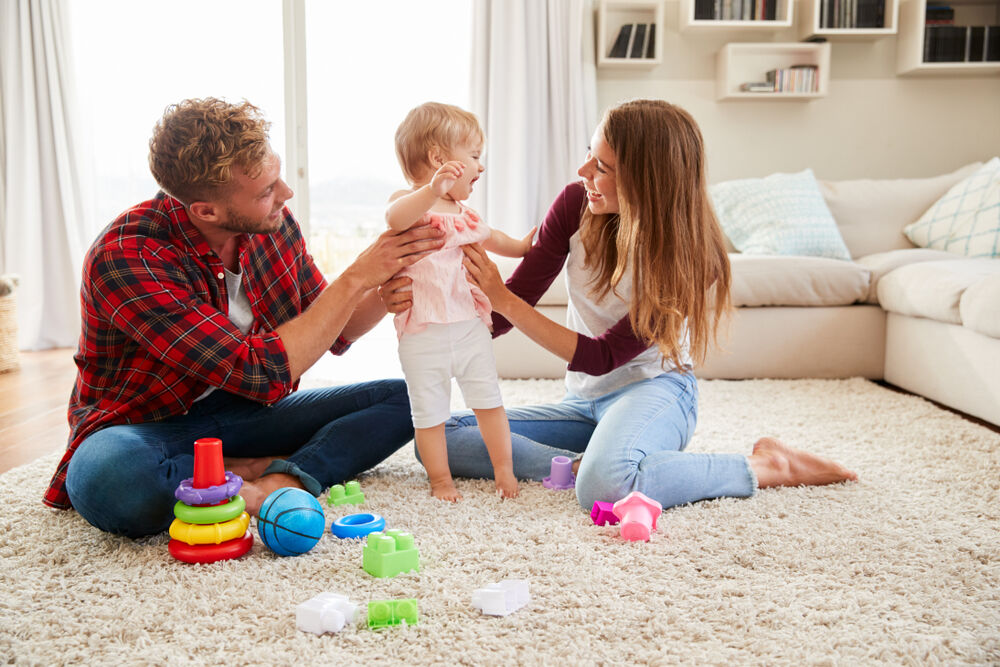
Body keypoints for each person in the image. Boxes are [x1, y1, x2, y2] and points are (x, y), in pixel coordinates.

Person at [382, 98, 857, 513]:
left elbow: (601, 355)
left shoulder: (689, 257)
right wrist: (431, 314)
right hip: (586, 401)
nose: (583, 171)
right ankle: (599, 458)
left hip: (656, 391)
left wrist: (498, 295)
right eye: (590, 154)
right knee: (439, 441)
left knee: (603, 490)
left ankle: (764, 465)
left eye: (601, 166)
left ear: (646, 181)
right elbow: (516, 303)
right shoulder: (575, 205)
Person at [43, 97, 445, 538]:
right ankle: (246, 477)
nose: (285, 194)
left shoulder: (270, 223)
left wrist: (385, 288)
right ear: (206, 211)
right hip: (147, 428)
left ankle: (277, 477)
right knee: (107, 478)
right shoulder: (126, 257)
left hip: (244, 414)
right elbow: (263, 372)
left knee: (409, 399)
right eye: (266, 191)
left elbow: (334, 325)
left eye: (277, 178)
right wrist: (355, 278)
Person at [386, 102, 535, 501]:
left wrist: (521, 247)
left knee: (489, 402)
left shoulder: (464, 215)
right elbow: (395, 218)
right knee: (430, 412)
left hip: (469, 327)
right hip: (422, 332)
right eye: (473, 157)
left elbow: (493, 237)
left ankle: (504, 471)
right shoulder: (411, 203)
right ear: (439, 161)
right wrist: (430, 190)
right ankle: (441, 481)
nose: (480, 167)